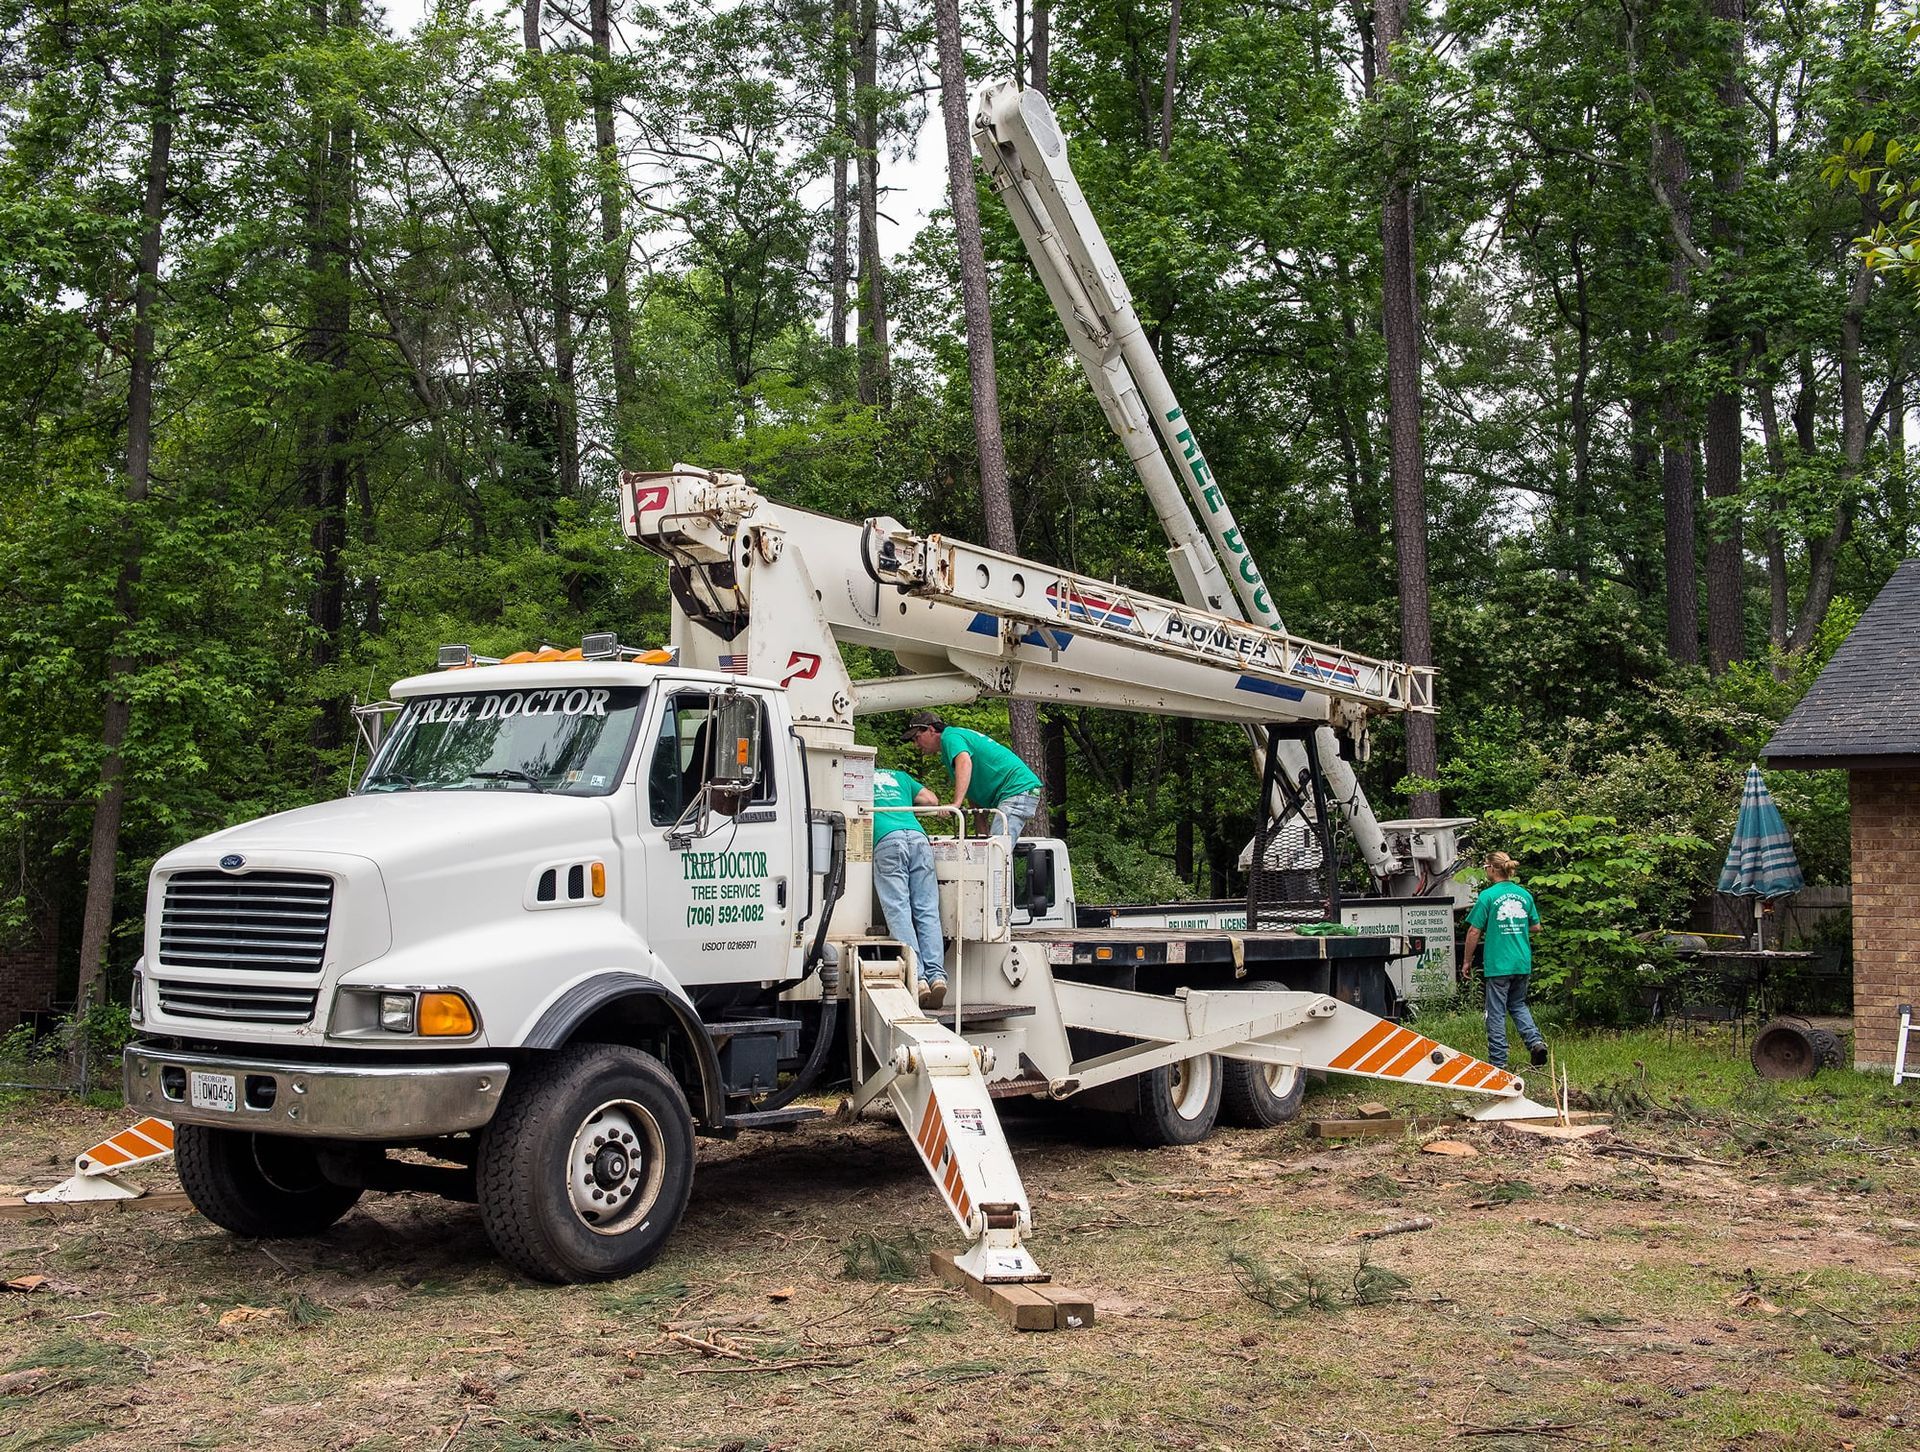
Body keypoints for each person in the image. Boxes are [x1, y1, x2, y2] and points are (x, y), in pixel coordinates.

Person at [903, 712, 1043, 854]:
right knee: (989, 851)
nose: (916, 744)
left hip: (1017, 788)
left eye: (917, 737)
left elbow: (964, 763)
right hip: (1013, 791)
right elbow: (972, 786)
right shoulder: (952, 743)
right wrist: (981, 833)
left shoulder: (950, 737)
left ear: (931, 730)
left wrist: (955, 804)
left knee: (997, 854)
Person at [1462, 850, 1548, 1070]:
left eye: (1485, 867)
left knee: (1496, 1013)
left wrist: (1466, 961)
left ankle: (1498, 1063)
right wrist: (1515, 928)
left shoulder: (1488, 896)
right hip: (1521, 961)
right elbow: (1536, 926)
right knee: (1518, 1005)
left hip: (1499, 964)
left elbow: (1473, 931)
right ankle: (1535, 1043)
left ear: (1492, 868)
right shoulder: (1524, 895)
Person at [872, 763, 947, 1009]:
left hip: (886, 839)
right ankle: (937, 976)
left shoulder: (857, 778)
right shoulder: (901, 777)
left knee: (899, 909)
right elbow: (931, 799)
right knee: (927, 909)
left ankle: (918, 978)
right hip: (917, 837)